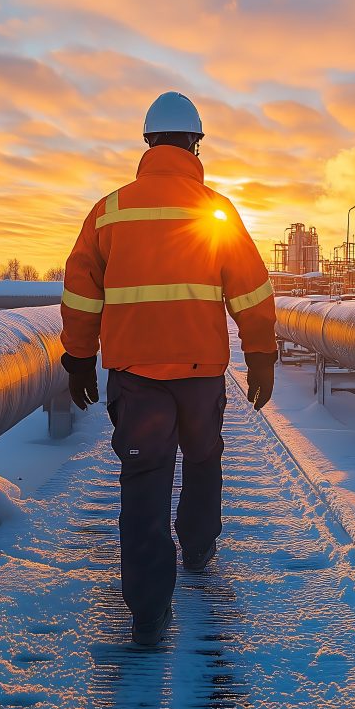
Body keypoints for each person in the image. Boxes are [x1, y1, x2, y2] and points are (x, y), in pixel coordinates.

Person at [58, 92, 278, 646]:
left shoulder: (110, 211)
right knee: (203, 461)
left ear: (148, 144)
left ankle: (149, 612)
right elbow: (252, 290)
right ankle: (199, 550)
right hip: (201, 374)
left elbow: (81, 293)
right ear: (195, 145)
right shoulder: (216, 211)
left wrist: (80, 359)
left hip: (136, 376)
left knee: (144, 480)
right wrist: (261, 355)